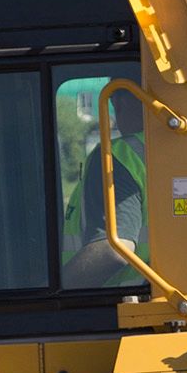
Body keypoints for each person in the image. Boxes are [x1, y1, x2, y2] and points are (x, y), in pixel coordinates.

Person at [60, 88, 150, 289]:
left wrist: (52, 292)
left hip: (116, 308)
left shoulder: (118, 156)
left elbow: (114, 249)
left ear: (120, 101)